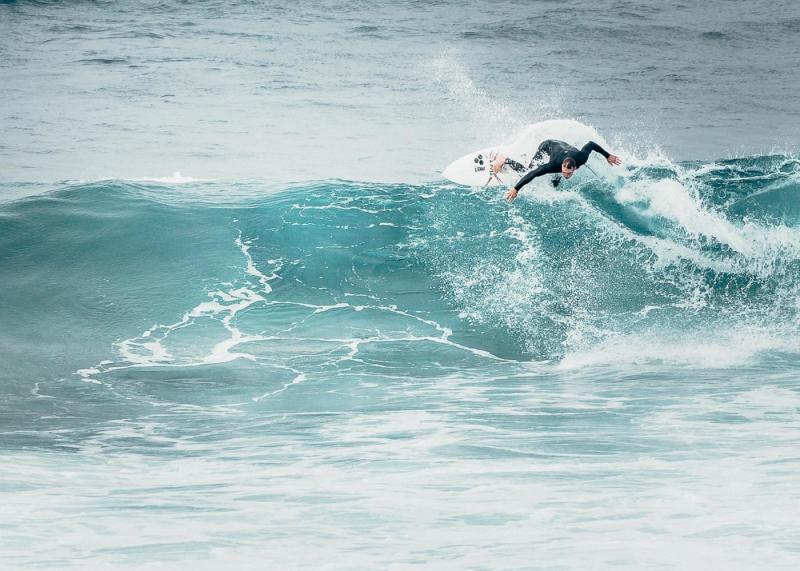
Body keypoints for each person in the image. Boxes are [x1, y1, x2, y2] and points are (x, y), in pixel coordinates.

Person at [490, 139, 622, 202]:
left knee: (555, 183)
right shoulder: (553, 165)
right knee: (529, 169)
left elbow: (591, 144)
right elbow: (533, 174)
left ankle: (524, 159)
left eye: (568, 173)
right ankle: (505, 160)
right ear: (562, 167)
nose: (566, 174)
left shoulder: (582, 158)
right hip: (548, 145)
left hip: (566, 145)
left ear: (574, 168)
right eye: (564, 172)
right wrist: (516, 188)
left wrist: (607, 156)